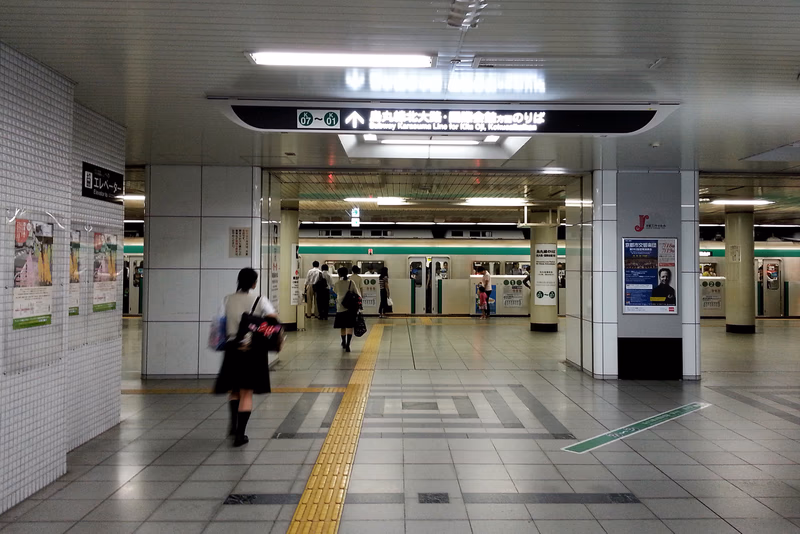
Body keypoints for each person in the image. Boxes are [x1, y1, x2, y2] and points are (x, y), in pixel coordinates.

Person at [214, 268, 277, 447]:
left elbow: (220, 321)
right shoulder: (260, 299)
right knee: (247, 392)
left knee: (234, 390)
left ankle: (233, 426)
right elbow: (273, 319)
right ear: (254, 283)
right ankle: (240, 435)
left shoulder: (227, 299)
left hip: (232, 347)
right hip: (253, 349)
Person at [333, 267, 360, 352]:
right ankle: (348, 344)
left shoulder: (337, 283)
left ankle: (343, 342)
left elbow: (335, 292)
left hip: (340, 307)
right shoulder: (351, 283)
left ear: (339, 274)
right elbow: (357, 294)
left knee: (342, 327)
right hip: (350, 308)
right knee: (350, 326)